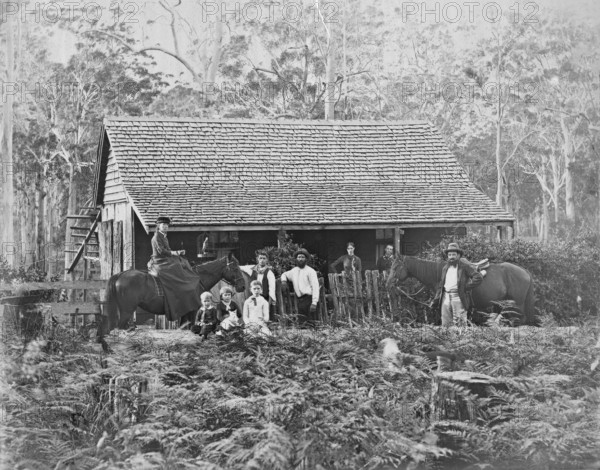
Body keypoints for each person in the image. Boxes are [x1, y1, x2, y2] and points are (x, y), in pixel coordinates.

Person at [147, 216, 201, 321]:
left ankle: (185, 284)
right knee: (176, 266)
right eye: (163, 225)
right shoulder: (156, 236)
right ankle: (178, 286)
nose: (165, 227)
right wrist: (175, 253)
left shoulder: (164, 236)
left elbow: (168, 250)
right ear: (158, 226)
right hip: (159, 260)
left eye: (167, 225)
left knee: (183, 261)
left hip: (165, 259)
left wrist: (178, 252)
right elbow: (161, 251)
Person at [433, 243, 483, 327]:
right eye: (449, 255)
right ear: (447, 256)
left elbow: (478, 277)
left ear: (458, 255)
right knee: (445, 322)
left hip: (458, 296)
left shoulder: (464, 267)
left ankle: (461, 339)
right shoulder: (445, 268)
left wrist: (466, 287)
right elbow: (442, 283)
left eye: (454, 254)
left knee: (460, 323)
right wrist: (437, 297)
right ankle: (447, 339)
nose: (451, 257)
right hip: (446, 296)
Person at [281, 248, 320, 327]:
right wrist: (284, 281)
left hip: (309, 299)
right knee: (302, 324)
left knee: (311, 324)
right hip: (300, 300)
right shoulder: (294, 271)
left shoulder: (310, 271)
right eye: (299, 257)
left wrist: (314, 303)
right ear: (296, 259)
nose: (300, 259)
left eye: (302, 257)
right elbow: (284, 274)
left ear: (306, 259)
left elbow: (315, 287)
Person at [240, 251, 277, 320]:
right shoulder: (253, 269)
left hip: (264, 296)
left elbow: (272, 288)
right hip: (254, 296)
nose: (262, 260)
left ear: (267, 260)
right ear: (257, 259)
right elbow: (241, 267)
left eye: (264, 258)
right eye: (260, 258)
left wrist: (270, 301)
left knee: (263, 315)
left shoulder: (269, 272)